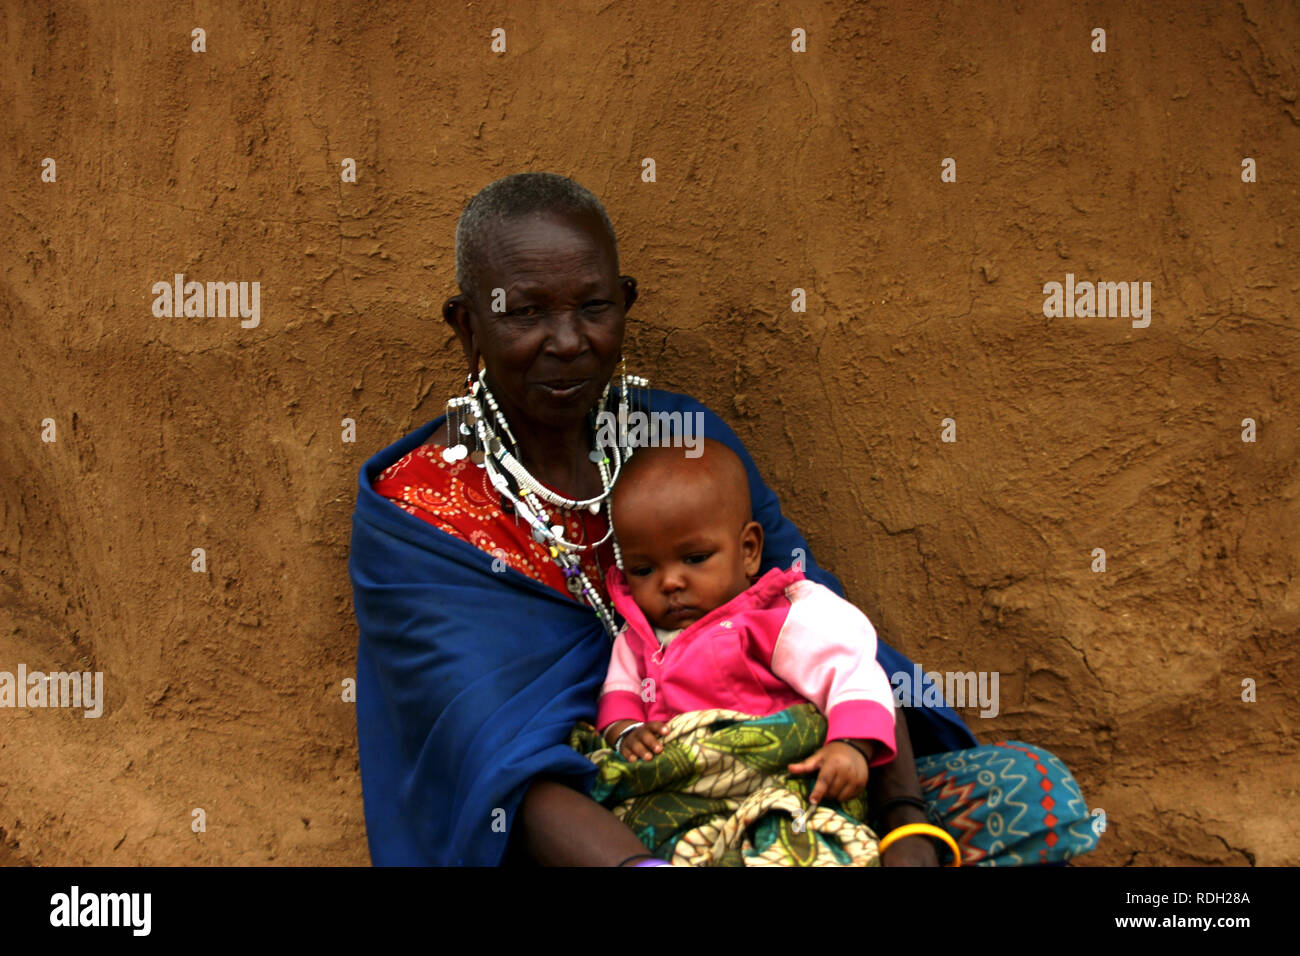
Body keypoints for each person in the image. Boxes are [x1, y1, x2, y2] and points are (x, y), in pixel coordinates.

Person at [349, 171, 1101, 866]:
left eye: (594, 307)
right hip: (590, 838)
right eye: (527, 312)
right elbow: (497, 761)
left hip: (786, 788)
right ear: (466, 327)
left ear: (627, 304)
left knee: (1030, 795)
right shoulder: (418, 517)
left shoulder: (682, 444)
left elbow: (822, 628)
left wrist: (905, 822)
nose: (569, 340)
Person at [597, 439, 896, 813]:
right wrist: (625, 732)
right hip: (683, 797)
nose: (670, 582)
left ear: (750, 549)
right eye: (644, 570)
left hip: (784, 786)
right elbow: (620, 694)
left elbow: (851, 671)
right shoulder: (638, 637)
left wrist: (850, 745)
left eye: (695, 558)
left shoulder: (778, 616)